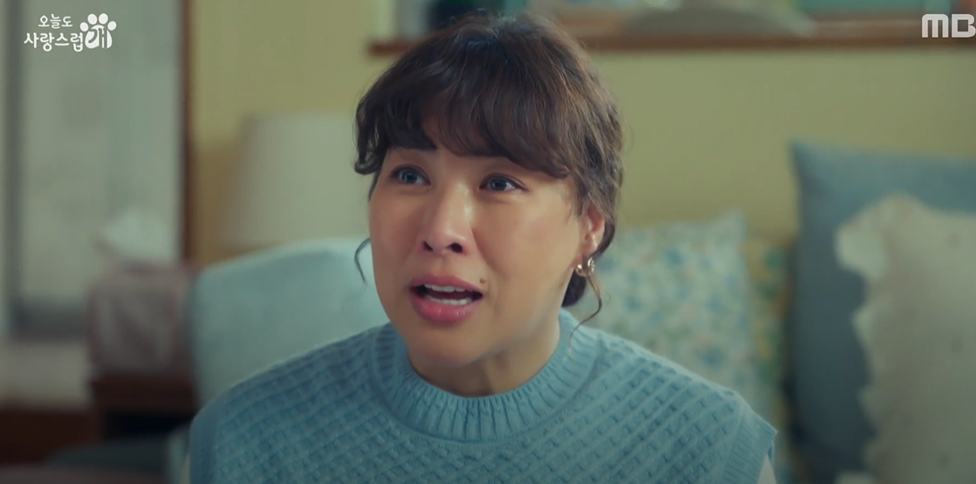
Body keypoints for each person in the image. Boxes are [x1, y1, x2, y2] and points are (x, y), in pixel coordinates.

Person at [181, 13, 777, 484]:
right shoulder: (243, 443)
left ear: (589, 227)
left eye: (500, 183)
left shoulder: (707, 449)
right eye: (410, 174)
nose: (441, 228)